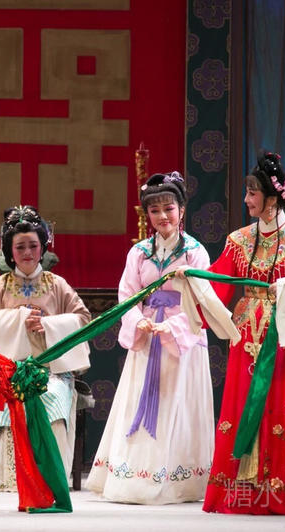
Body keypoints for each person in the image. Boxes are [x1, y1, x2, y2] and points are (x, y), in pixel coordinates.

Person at [198, 151, 285, 514]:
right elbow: (217, 281)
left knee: (281, 405)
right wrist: (189, 280)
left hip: (283, 335)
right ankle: (240, 488)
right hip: (247, 333)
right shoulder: (239, 240)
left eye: (252, 193)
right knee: (242, 403)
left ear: (272, 199)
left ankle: (279, 490)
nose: (246, 200)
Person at [85, 172, 214, 504]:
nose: (162, 217)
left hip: (181, 337)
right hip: (147, 332)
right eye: (154, 211)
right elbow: (127, 293)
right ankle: (134, 476)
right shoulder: (140, 252)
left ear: (182, 210)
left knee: (176, 403)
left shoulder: (195, 252)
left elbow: (202, 299)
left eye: (168, 209)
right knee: (139, 402)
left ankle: (178, 480)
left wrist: (173, 327)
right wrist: (137, 320)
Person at [0, 206, 91, 492]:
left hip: (51, 370)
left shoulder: (57, 284)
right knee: (9, 401)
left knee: (52, 397)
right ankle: (16, 478)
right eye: (20, 247)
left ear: (43, 248)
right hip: (9, 370)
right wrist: (17, 319)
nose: (27, 253)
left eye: (33, 246)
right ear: (9, 251)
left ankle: (50, 478)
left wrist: (48, 325)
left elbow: (83, 319)